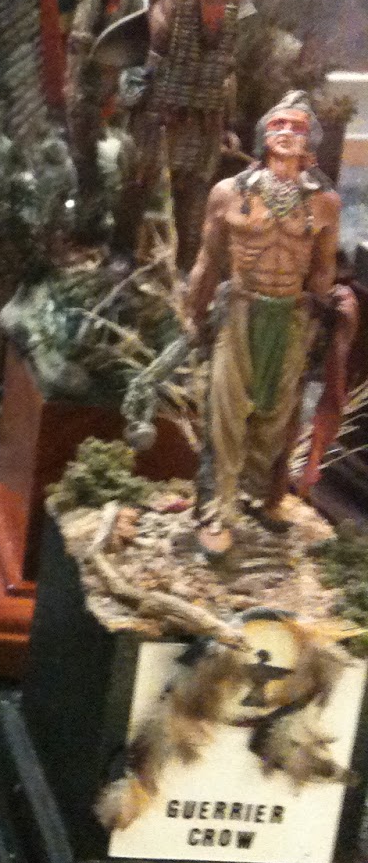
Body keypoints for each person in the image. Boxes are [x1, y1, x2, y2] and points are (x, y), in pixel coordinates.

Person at [183, 92, 339, 556]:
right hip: (240, 310)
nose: (288, 133)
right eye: (279, 125)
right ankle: (215, 507)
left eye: (298, 127)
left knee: (274, 414)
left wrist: (329, 310)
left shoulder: (324, 202)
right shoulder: (229, 193)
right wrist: (192, 314)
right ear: (264, 136)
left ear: (311, 141)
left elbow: (324, 269)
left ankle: (253, 494)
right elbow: (207, 261)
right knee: (225, 410)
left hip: (291, 315)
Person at [109, 0, 242, 271]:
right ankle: (122, 253)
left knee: (193, 192)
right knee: (140, 181)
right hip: (160, 107)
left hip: (204, 114)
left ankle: (185, 266)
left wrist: (226, 122)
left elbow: (226, 65)